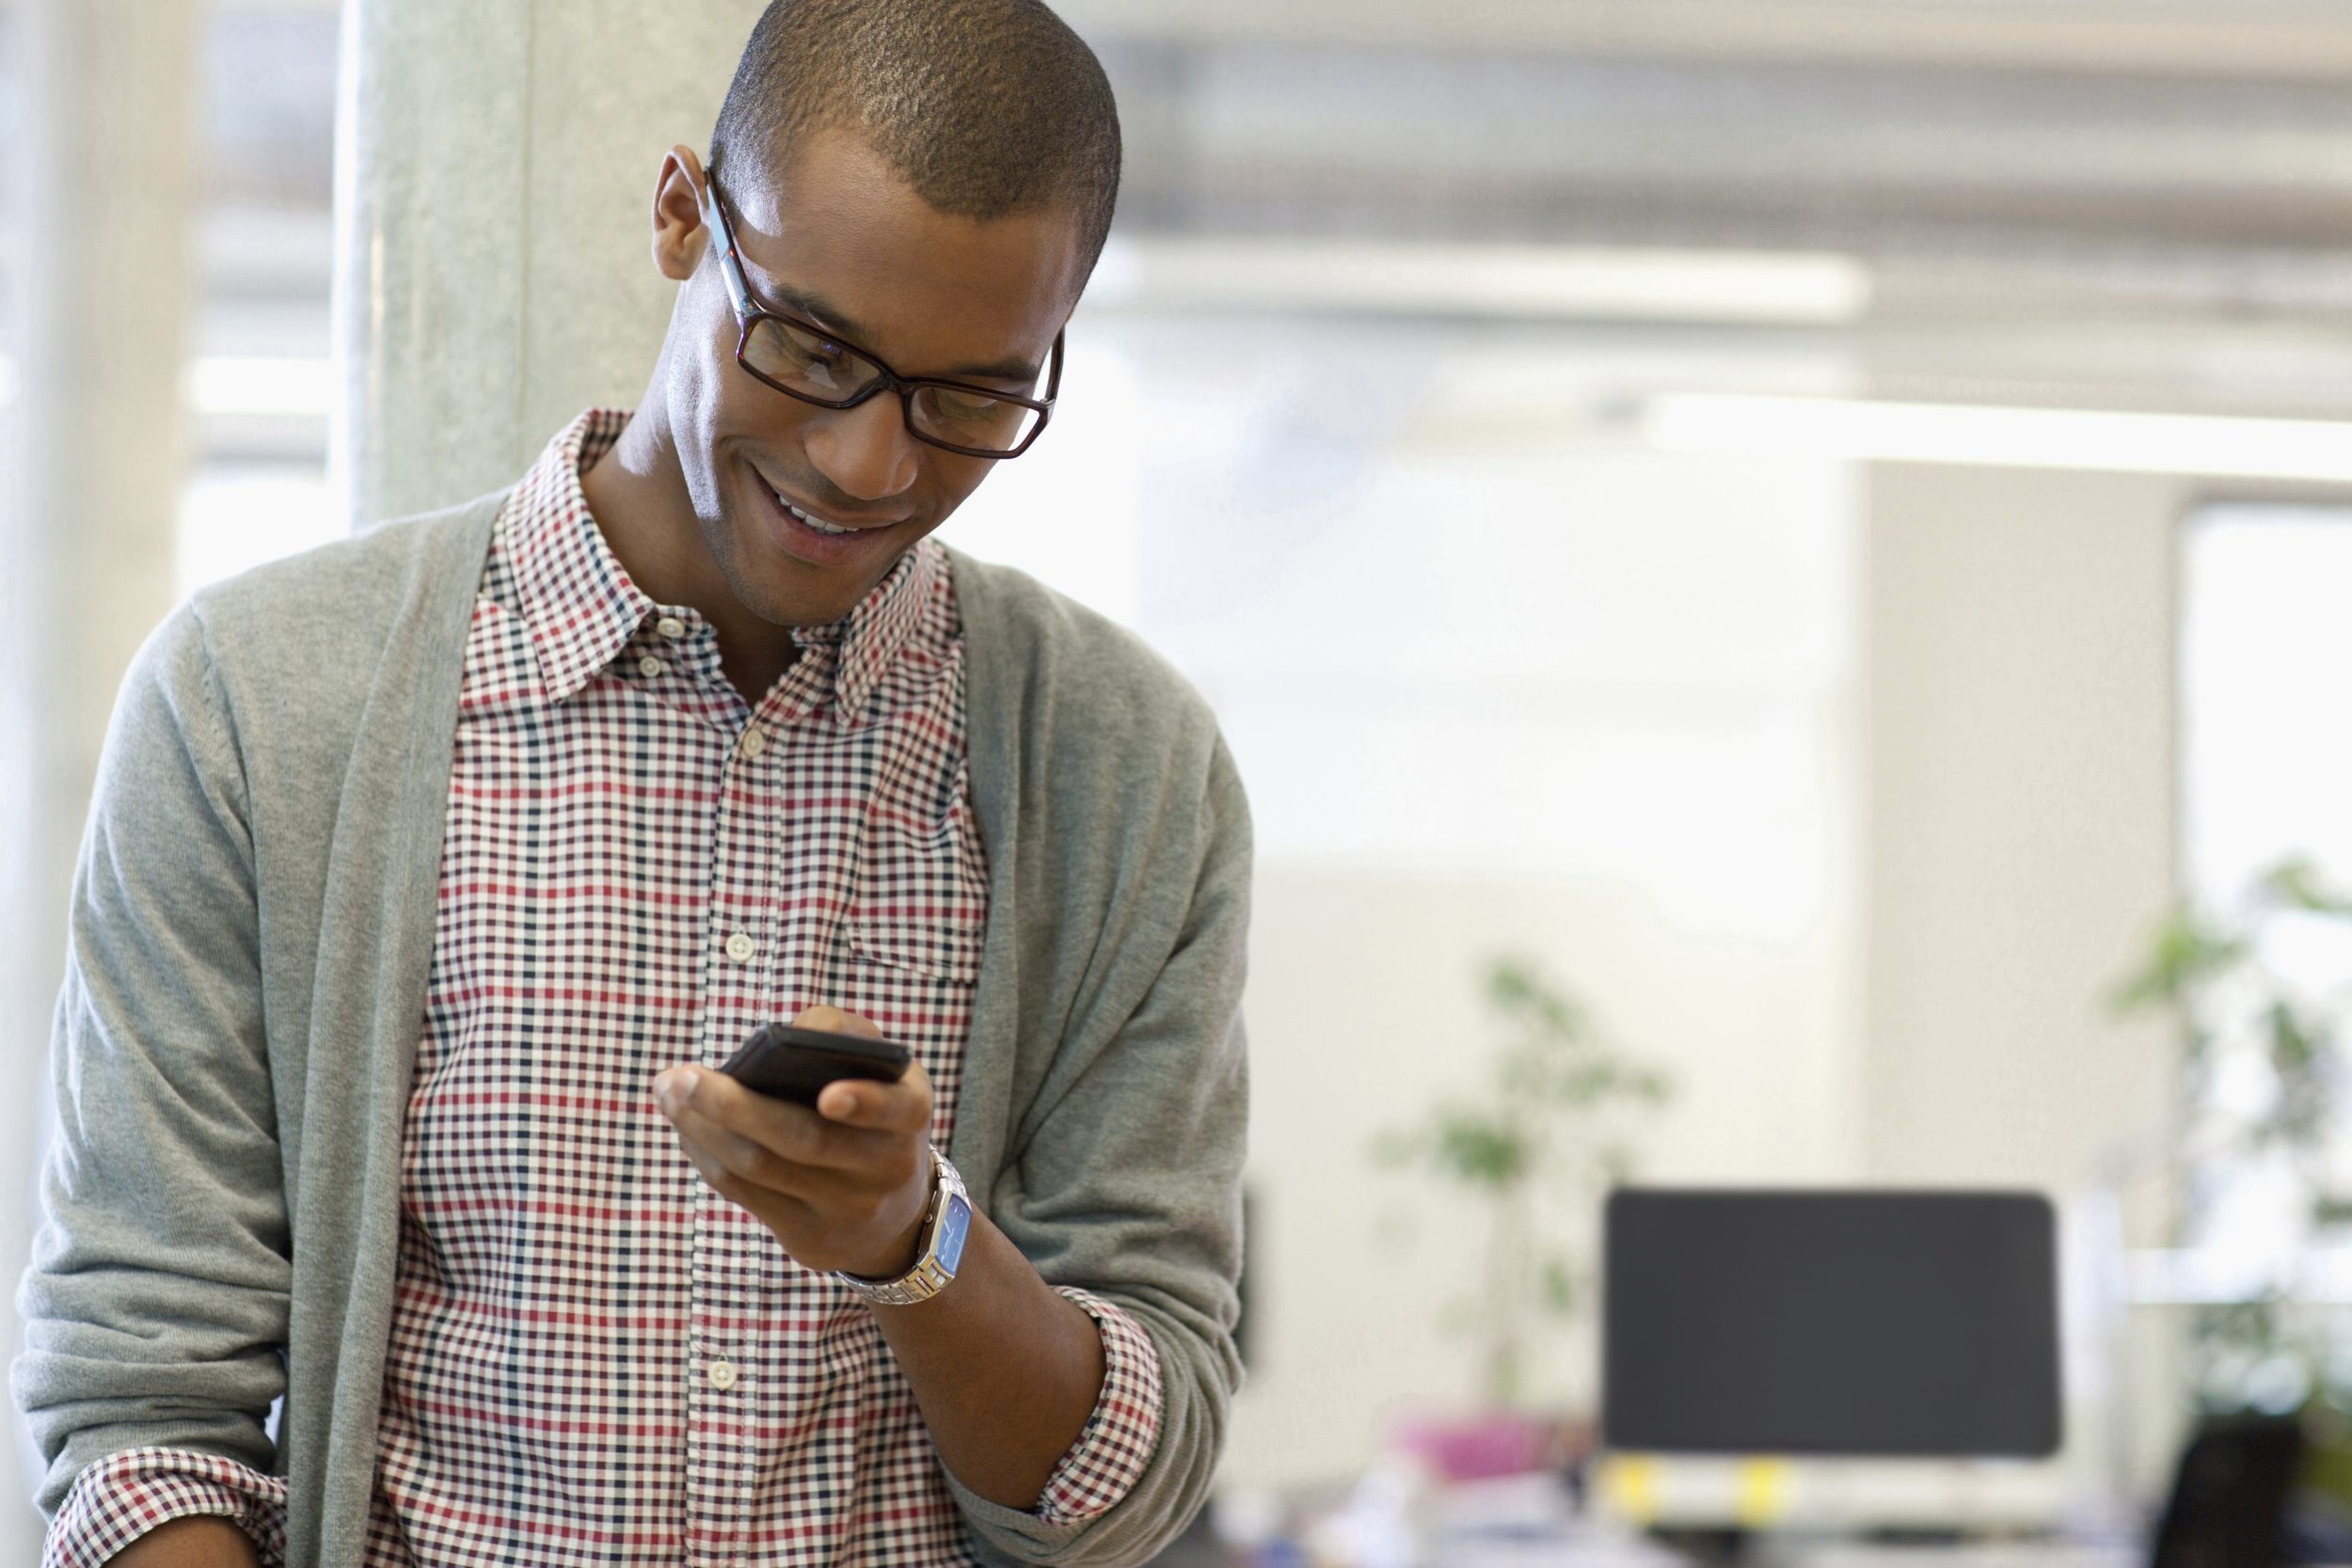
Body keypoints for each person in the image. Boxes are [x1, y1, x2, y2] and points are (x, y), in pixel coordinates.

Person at [10, 1, 1249, 1564]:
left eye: (971, 400)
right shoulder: (261, 706)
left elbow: (1129, 1487)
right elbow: (145, 1414)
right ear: (684, 219)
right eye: (811, 348)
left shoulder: (1126, 778)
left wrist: (912, 1246)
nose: (870, 465)